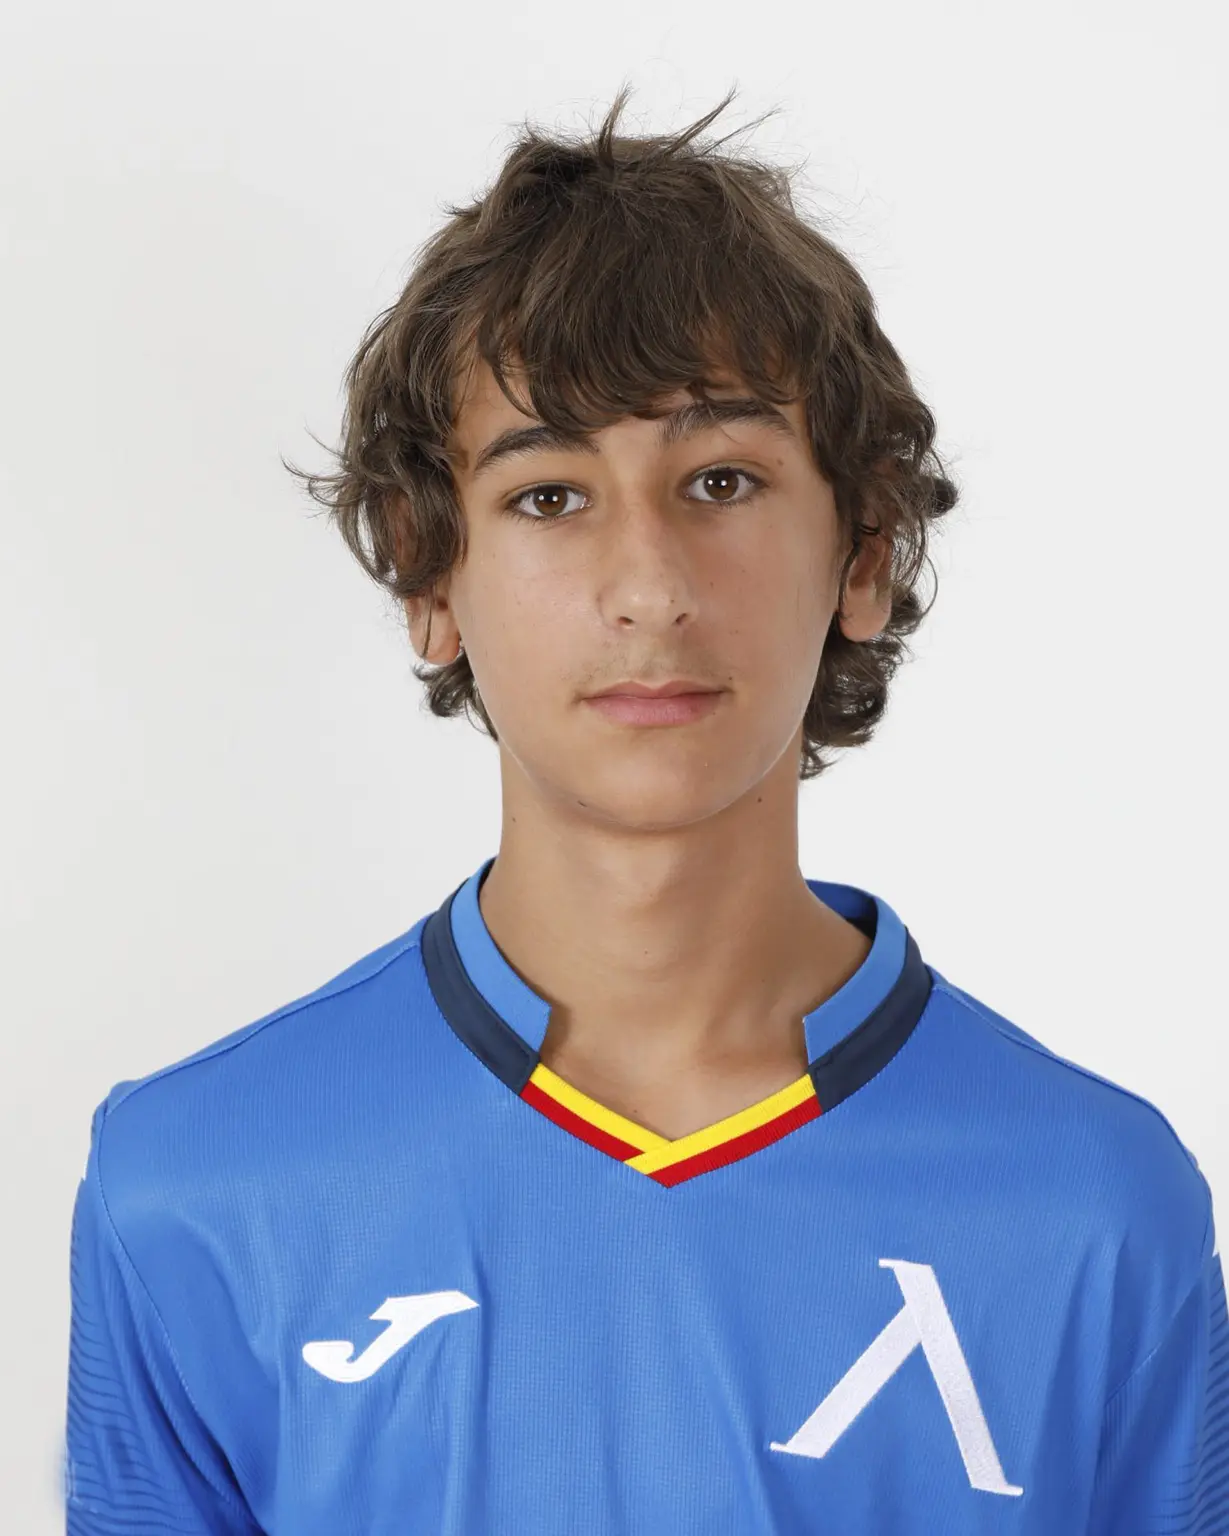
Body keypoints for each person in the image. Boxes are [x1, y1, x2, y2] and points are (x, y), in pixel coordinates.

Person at [64, 86, 1226, 1535]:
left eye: (721, 480)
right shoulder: (192, 1185)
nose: (649, 587)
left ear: (864, 557)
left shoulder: (1095, 1209)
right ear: (431, 578)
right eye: (550, 497)